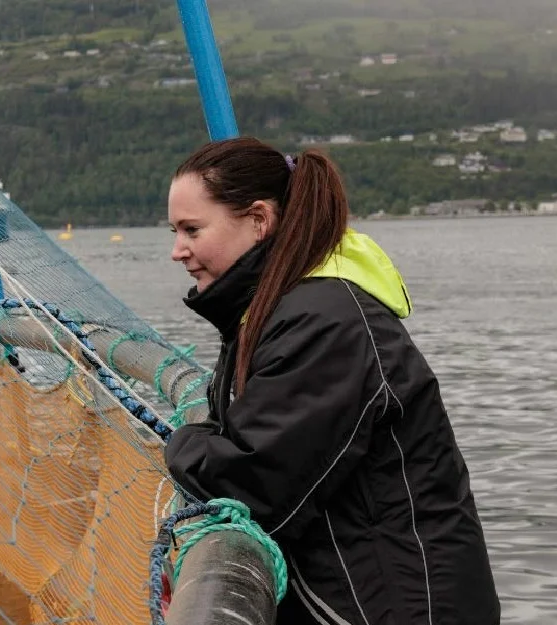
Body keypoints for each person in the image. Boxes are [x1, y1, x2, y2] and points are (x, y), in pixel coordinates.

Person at [163, 137, 500, 624]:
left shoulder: (324, 322)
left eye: (192, 229)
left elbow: (249, 482)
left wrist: (181, 441)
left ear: (259, 220)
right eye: (174, 231)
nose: (177, 251)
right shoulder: (276, 308)